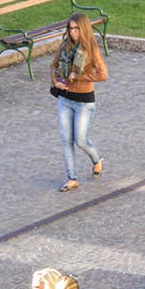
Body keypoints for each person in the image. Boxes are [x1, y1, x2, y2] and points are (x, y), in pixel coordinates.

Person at [51, 13, 107, 192]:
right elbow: (54, 66)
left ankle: (97, 160)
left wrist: (80, 77)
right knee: (66, 139)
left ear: (83, 29)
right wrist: (56, 82)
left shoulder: (91, 49)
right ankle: (72, 178)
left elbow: (103, 74)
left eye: (76, 28)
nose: (73, 32)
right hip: (65, 99)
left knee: (80, 140)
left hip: (84, 101)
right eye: (70, 28)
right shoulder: (65, 46)